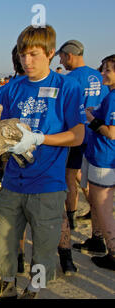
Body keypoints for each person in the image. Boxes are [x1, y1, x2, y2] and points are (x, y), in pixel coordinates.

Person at [0, 24, 86, 299]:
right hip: (14, 181)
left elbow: (78, 134)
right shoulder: (9, 89)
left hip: (48, 183)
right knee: (3, 238)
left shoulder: (67, 87)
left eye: (34, 54)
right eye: (23, 55)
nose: (27, 61)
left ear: (50, 53)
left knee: (44, 245)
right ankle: (8, 281)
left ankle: (34, 288)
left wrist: (39, 138)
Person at [57, 40, 110, 226]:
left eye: (62, 57)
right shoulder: (100, 76)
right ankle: (95, 211)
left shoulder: (69, 79)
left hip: (77, 135)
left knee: (70, 176)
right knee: (88, 178)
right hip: (97, 138)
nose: (61, 62)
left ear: (69, 55)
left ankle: (71, 218)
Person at [0, 45, 28, 274]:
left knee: (14, 215)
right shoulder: (60, 86)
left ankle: (20, 258)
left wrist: (0, 160)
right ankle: (65, 259)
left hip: (13, 167)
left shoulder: (6, 90)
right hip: (48, 170)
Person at [78, 54, 115, 271]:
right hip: (101, 157)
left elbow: (110, 132)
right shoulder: (109, 95)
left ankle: (112, 253)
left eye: (107, 70)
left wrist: (90, 118)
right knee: (98, 205)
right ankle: (97, 239)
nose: (102, 73)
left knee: (102, 208)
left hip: (104, 159)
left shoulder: (112, 98)